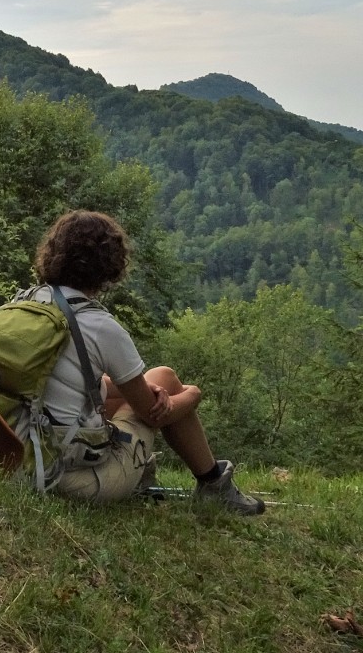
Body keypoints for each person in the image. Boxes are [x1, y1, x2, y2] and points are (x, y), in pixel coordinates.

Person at [29, 209, 264, 515]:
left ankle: (199, 481)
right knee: (166, 381)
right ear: (109, 263)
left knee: (158, 380)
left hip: (26, 456)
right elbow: (152, 416)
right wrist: (193, 395)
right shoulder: (99, 325)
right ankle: (214, 486)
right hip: (72, 480)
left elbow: (70, 381)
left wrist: (143, 388)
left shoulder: (31, 302)